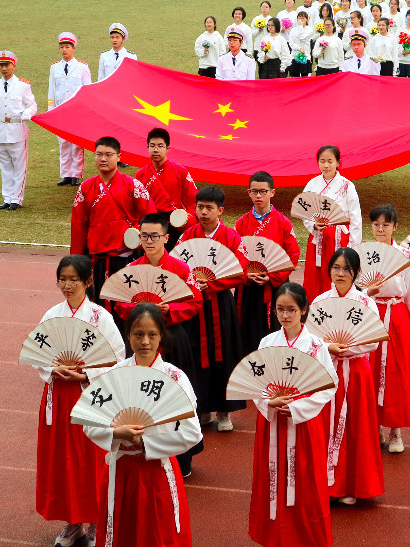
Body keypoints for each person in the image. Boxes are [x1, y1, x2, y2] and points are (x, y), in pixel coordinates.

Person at [83, 304, 202, 547]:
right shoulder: (114, 374)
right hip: (120, 471)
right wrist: (116, 432)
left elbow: (192, 432)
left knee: (158, 534)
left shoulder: (175, 378)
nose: (145, 341)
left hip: (157, 471)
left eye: (152, 334)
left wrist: (146, 442)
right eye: (138, 334)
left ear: (161, 336)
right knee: (121, 533)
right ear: (128, 335)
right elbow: (89, 422)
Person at [36, 255, 125, 547]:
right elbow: (38, 353)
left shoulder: (101, 318)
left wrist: (86, 372)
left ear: (88, 282)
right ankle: (72, 523)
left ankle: (97, 523)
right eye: (62, 278)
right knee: (62, 460)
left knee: (91, 460)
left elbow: (117, 357)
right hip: (59, 397)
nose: (67, 285)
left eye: (74, 279)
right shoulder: (52, 315)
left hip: (92, 399)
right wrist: (52, 368)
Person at [112, 213, 204, 477]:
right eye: (144, 236)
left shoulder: (181, 268)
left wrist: (170, 309)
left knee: (175, 398)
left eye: (155, 236)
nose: (149, 241)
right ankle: (136, 447)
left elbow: (195, 301)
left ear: (166, 237)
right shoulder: (130, 271)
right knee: (140, 397)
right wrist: (142, 310)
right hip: (140, 342)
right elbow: (118, 302)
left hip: (173, 340)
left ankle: (182, 459)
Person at [249, 283, 336, 546]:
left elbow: (328, 384)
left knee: (306, 481)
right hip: (273, 422)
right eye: (280, 310)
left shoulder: (317, 346)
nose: (285, 316)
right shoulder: (267, 342)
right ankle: (273, 533)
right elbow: (254, 382)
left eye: (291, 310)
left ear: (304, 311)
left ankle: (305, 535)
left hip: (304, 425)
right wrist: (269, 402)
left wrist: (298, 407)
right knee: (271, 477)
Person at [314, 248, 384, 505]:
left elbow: (373, 341)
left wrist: (345, 349)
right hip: (328, 372)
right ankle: (325, 481)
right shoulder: (320, 301)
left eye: (346, 269)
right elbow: (312, 337)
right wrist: (327, 348)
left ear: (355, 273)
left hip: (355, 372)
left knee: (356, 428)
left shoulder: (366, 303)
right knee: (324, 426)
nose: (340, 273)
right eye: (335, 267)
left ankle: (352, 484)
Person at [176, 187, 248, 433]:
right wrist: (195, 283)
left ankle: (225, 410)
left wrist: (215, 283)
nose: (203, 212)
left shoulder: (231, 237)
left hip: (221, 306)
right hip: (194, 306)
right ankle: (203, 408)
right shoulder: (187, 237)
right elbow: (176, 267)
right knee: (195, 355)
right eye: (200, 207)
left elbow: (241, 269)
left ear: (221, 210)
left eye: (209, 208)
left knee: (225, 354)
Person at [365, 205, 410, 453]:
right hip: (371, 313)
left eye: (386, 224)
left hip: (396, 315)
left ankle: (396, 430)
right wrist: (366, 293)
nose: (380, 229)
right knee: (372, 369)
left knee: (396, 372)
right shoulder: (364, 252)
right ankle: (376, 425)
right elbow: (354, 287)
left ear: (395, 227)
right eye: (376, 224)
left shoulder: (405, 255)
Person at [70, 136, 156, 306]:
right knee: (96, 305)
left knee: (127, 306)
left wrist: (138, 235)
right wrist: (76, 261)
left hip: (126, 257)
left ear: (119, 156)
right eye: (99, 154)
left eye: (109, 154)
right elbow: (78, 226)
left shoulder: (133, 185)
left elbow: (151, 218)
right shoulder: (85, 187)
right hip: (96, 258)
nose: (103, 159)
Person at [235, 171, 301, 355]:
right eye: (254, 191)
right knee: (248, 333)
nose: (258, 196)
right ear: (248, 192)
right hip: (248, 286)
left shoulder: (283, 223)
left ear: (272, 192)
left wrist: (272, 277)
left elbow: (293, 254)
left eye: (263, 191)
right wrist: (245, 274)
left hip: (274, 287)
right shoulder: (241, 223)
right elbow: (234, 255)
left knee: (276, 330)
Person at [301, 145, 363, 302]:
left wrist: (352, 247)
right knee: (315, 277)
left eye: (330, 161)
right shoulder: (312, 184)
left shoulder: (347, 186)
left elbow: (355, 217)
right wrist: (313, 225)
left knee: (338, 273)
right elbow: (304, 211)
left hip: (339, 238)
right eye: (322, 161)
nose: (326, 165)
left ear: (338, 162)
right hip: (317, 238)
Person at [0, 50, 37, 212]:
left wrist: (27, 114)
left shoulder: (23, 85)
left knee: (19, 167)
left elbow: (32, 104)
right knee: (5, 168)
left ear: (13, 65)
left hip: (16, 131)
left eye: (7, 65)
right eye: (1, 65)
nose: (4, 69)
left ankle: (16, 198)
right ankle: (7, 198)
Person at [134, 128, 198, 250]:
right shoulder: (140, 175)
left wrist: (187, 220)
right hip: (150, 227)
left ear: (168, 148)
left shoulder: (180, 172)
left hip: (174, 226)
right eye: (152, 146)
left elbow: (193, 202)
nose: (156, 149)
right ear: (147, 148)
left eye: (160, 146)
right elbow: (137, 206)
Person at [49, 32, 91, 187]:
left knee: (76, 143)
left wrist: (86, 111)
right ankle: (66, 173)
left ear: (73, 48)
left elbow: (87, 90)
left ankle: (76, 174)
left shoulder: (82, 67)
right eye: (62, 47)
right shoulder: (54, 68)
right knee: (63, 142)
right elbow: (52, 91)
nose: (64, 50)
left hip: (76, 111)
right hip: (61, 111)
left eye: (67, 47)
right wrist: (51, 110)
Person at [288, 11, 314, 77]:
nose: (301, 20)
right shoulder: (293, 30)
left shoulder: (310, 30)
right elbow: (291, 42)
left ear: (307, 19)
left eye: (303, 18)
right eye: (299, 18)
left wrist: (300, 27)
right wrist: (299, 48)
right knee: (294, 77)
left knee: (304, 77)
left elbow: (302, 38)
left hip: (305, 56)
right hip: (295, 55)